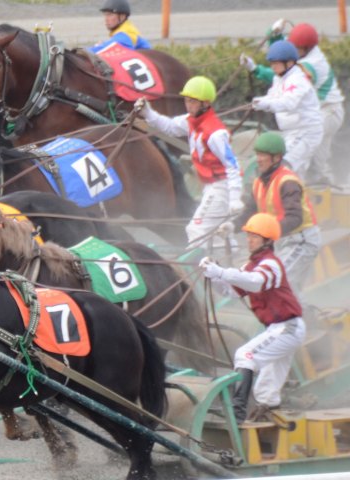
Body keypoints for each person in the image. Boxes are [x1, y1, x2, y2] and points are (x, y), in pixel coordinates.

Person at [200, 212, 306, 423]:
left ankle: (237, 414)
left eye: (254, 237)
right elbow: (231, 291)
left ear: (267, 241)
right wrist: (213, 275)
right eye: (248, 235)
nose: (249, 240)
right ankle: (268, 416)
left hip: (287, 328)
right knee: (266, 391)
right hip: (280, 329)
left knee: (245, 355)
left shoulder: (271, 264)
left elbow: (255, 282)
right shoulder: (252, 265)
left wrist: (220, 272)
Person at [135, 76, 243, 250]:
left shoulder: (216, 134)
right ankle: (228, 259)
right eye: (186, 100)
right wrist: (148, 113)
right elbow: (169, 127)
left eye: (192, 101)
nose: (188, 105)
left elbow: (232, 165)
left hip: (221, 186)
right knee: (217, 232)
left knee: (196, 229)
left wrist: (235, 197)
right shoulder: (190, 121)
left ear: (205, 103)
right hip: (211, 186)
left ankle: (207, 263)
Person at [220, 131, 321, 301]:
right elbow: (250, 211)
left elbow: (295, 218)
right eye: (257, 154)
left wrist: (267, 233)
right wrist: (232, 226)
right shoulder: (258, 183)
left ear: (276, 158)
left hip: (301, 241)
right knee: (285, 286)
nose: (258, 159)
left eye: (263, 155)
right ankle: (303, 314)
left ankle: (296, 316)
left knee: (277, 281)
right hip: (281, 241)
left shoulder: (288, 182)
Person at [241, 23, 344, 185]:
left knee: (290, 165)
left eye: (296, 48)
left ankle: (317, 182)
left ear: (305, 49)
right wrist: (274, 34)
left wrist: (256, 70)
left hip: (326, 113)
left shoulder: (306, 71)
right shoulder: (286, 70)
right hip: (300, 126)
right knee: (299, 168)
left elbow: (288, 101)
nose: (273, 67)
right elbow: (281, 56)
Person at [245, 40, 324, 184]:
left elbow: (288, 103)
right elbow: (272, 97)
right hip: (291, 133)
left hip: (306, 132)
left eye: (276, 63)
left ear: (289, 63)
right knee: (293, 172)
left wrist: (265, 104)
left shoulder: (298, 80)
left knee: (283, 166)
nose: (273, 67)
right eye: (271, 63)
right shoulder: (279, 78)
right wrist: (258, 102)